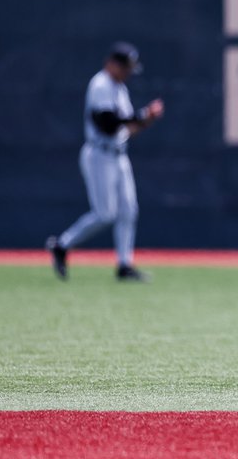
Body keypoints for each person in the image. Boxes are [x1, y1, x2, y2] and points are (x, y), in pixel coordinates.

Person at [46, 42, 164, 282]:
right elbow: (107, 124)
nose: (128, 72)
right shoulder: (100, 84)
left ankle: (124, 265)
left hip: (119, 154)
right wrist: (141, 115)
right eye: (125, 67)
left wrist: (147, 119)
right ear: (111, 63)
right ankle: (62, 244)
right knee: (105, 214)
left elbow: (127, 128)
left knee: (128, 210)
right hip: (99, 154)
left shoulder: (120, 89)